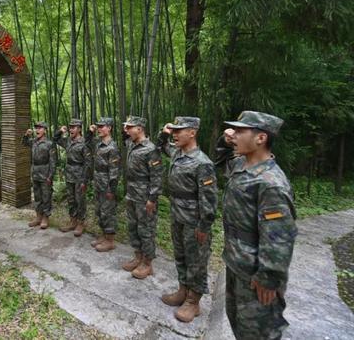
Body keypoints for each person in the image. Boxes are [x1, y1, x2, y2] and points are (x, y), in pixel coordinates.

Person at [217, 111, 297, 339]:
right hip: (236, 264)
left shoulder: (270, 183)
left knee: (258, 333)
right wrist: (226, 139)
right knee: (239, 326)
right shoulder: (241, 164)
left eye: (240, 131)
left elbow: (280, 238)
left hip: (256, 276)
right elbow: (220, 158)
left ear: (260, 138)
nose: (233, 134)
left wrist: (268, 278)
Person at [157, 116, 217, 323]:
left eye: (179, 130)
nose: (174, 134)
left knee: (197, 261)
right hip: (177, 215)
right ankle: (183, 290)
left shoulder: (203, 163)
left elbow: (209, 199)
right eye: (173, 130)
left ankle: (194, 301)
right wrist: (164, 132)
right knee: (181, 255)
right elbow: (161, 145)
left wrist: (204, 225)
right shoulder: (177, 153)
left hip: (194, 220)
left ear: (192, 132)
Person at [120, 116, 162, 279]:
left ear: (140, 128)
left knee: (146, 229)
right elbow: (124, 137)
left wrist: (152, 198)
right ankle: (138, 256)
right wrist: (125, 129)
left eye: (131, 127)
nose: (127, 130)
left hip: (145, 196)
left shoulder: (151, 149)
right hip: (131, 193)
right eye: (127, 127)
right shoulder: (131, 144)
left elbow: (157, 176)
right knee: (133, 227)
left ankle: (147, 263)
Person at [85, 117, 120, 252]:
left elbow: (115, 170)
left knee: (108, 212)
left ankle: (110, 240)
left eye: (102, 126)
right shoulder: (98, 144)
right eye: (98, 126)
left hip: (107, 183)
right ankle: (104, 236)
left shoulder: (112, 147)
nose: (99, 128)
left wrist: (112, 189)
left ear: (109, 128)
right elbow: (87, 142)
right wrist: (90, 131)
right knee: (99, 211)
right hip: (98, 181)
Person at [53, 119, 92, 236]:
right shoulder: (68, 141)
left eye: (74, 127)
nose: (71, 129)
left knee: (80, 200)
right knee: (71, 199)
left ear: (79, 129)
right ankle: (72, 221)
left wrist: (85, 179)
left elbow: (88, 162)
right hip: (69, 173)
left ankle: (81, 223)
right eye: (70, 127)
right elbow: (55, 140)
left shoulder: (85, 142)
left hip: (80, 175)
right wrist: (60, 131)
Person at [22, 121, 57, 229]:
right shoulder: (33, 142)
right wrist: (26, 135)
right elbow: (24, 143)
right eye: (36, 128)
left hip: (45, 172)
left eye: (40, 128)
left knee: (46, 196)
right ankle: (38, 217)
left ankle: (46, 217)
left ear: (45, 130)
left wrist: (50, 176)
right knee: (37, 196)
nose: (37, 130)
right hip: (35, 171)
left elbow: (53, 162)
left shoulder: (49, 144)